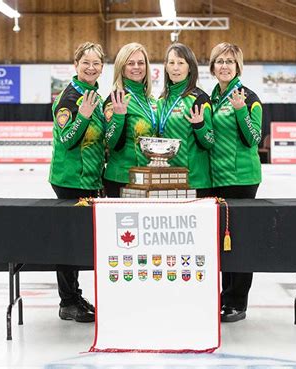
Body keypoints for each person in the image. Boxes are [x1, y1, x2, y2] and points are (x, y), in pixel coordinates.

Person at [49, 41, 106, 323]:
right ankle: (68, 302)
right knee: (69, 242)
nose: (91, 68)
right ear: (76, 65)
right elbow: (68, 140)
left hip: (89, 179)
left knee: (79, 241)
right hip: (70, 179)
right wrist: (82, 118)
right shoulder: (70, 98)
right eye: (86, 63)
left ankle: (74, 294)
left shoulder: (93, 95)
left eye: (96, 63)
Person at [209, 42, 263, 322]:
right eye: (220, 61)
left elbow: (253, 138)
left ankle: (237, 300)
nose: (225, 65)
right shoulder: (214, 97)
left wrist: (241, 110)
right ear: (213, 66)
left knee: (238, 242)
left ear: (238, 66)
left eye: (230, 61)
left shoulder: (249, 97)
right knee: (221, 242)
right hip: (216, 179)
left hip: (241, 179)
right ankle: (223, 295)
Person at [157, 43, 214, 196]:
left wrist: (200, 126)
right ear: (166, 67)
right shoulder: (162, 101)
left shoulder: (199, 99)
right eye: (171, 63)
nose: (175, 68)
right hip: (167, 180)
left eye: (181, 63)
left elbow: (209, 142)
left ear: (190, 68)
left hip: (195, 181)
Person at [103, 43, 156, 197]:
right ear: (122, 67)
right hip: (121, 179)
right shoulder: (116, 99)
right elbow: (111, 142)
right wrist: (119, 116)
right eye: (130, 63)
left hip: (147, 178)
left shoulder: (151, 100)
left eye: (141, 63)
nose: (136, 67)